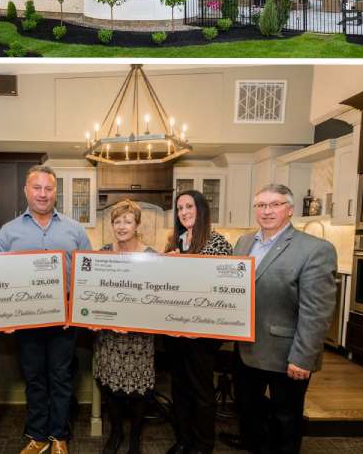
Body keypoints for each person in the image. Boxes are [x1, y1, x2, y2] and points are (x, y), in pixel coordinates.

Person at [232, 184, 337, 454]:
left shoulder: (315, 249)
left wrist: (303, 357)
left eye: (275, 204)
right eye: (261, 205)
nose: (267, 211)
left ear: (290, 210)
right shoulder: (244, 243)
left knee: (286, 420)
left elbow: (316, 311)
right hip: (246, 348)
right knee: (249, 414)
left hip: (287, 354)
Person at [0, 165, 91, 454]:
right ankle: (37, 436)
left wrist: (75, 308)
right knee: (35, 379)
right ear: (26, 191)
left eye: (48, 188)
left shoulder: (74, 229)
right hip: (27, 322)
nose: (43, 194)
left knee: (61, 379)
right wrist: (6, 316)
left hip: (64, 321)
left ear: (55, 193)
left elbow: (87, 273)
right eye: (36, 188)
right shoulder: (8, 232)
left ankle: (59, 436)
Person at [165, 190, 233, 454]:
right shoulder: (176, 241)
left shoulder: (217, 242)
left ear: (201, 209)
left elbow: (219, 284)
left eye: (189, 206)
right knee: (179, 388)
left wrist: (180, 263)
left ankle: (204, 445)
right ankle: (183, 440)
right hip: (175, 332)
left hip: (202, 334)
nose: (183, 212)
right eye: (179, 208)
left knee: (201, 391)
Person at [93, 199, 157, 454]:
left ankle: (134, 439)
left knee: (138, 392)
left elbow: (156, 297)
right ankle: (116, 432)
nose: (121, 226)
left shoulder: (152, 257)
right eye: (117, 221)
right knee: (111, 388)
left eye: (127, 221)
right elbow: (93, 292)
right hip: (109, 336)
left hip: (140, 338)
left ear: (137, 224)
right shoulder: (101, 254)